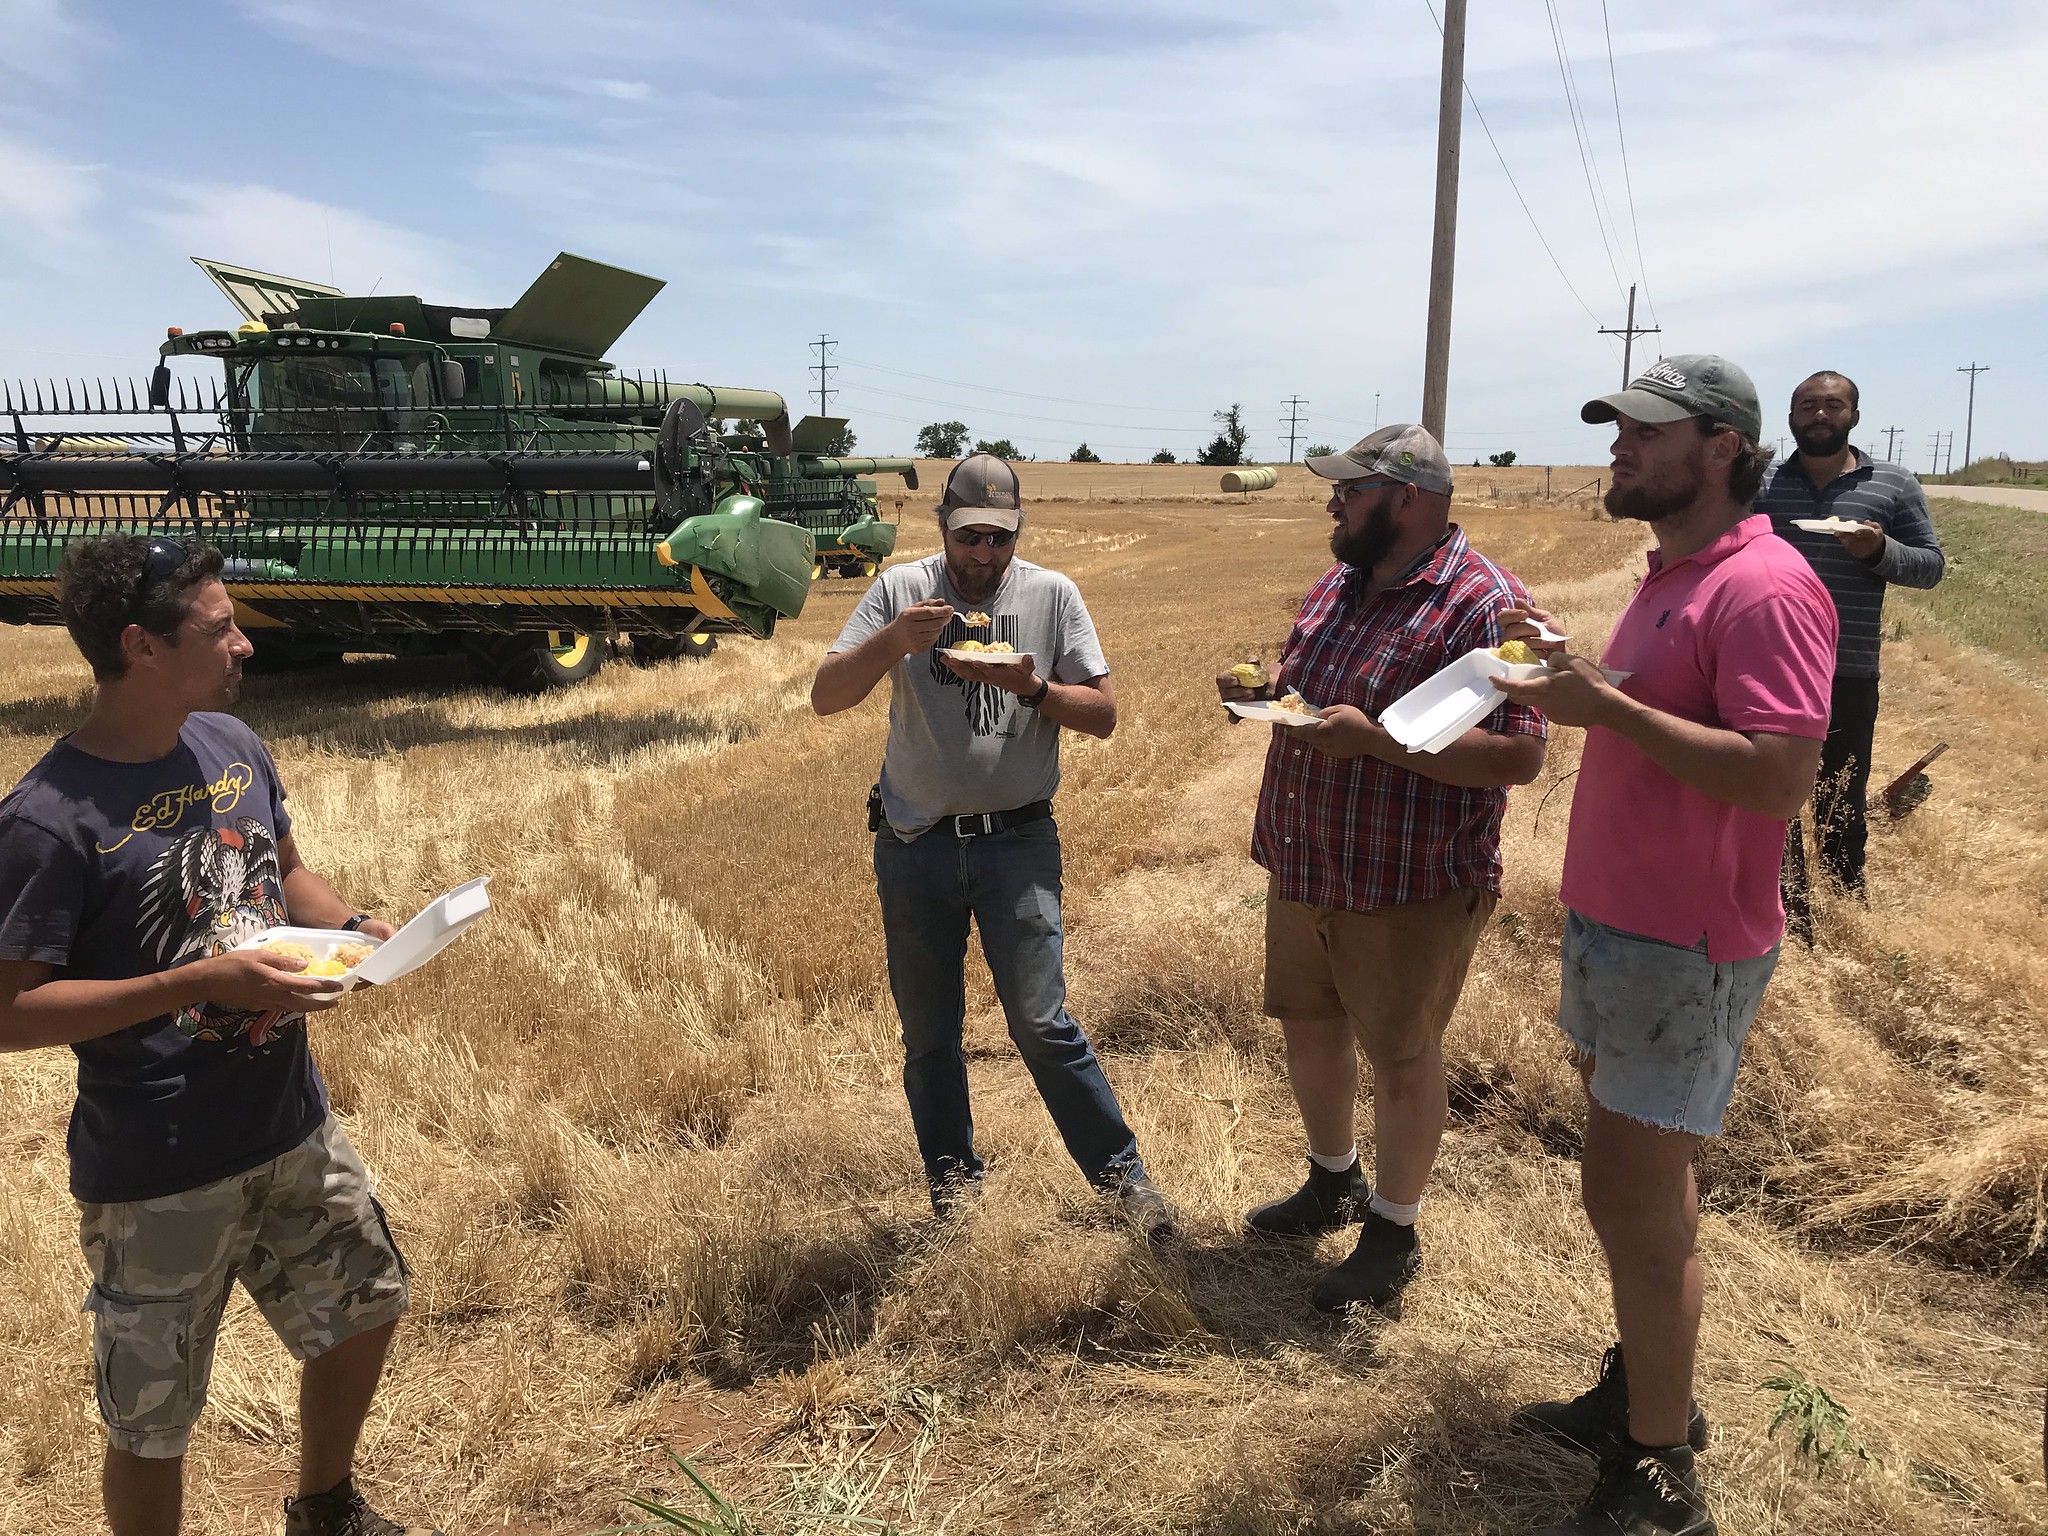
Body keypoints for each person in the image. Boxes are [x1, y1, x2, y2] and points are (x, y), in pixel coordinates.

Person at [0, 536, 439, 1536]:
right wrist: (199, 981)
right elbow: (9, 1013)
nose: (244, 643)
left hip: (288, 1120)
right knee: (153, 1420)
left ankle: (324, 1507)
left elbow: (283, 870)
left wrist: (353, 927)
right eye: (219, 626)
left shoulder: (232, 748)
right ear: (140, 647)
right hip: (159, 1165)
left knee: (366, 1304)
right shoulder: (48, 821)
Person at [1492, 357, 1836, 1536]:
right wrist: (1571, 673)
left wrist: (1607, 707)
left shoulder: (1767, 587)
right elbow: (1646, 711)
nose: (1617, 449)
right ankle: (1646, 1387)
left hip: (1680, 949)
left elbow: (1782, 778)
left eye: (1645, 431)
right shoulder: (1673, 576)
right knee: (1646, 1198)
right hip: (1618, 930)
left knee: (1630, 1209)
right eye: (1615, 430)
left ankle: (1657, 1470)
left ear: (1724, 447)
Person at [1214, 424, 1547, 1312]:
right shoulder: (1340, 581)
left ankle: (1393, 1231)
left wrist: (1381, 743)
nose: (1333, 502)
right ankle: (1333, 1179)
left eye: (1350, 490)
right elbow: (1307, 681)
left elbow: (1518, 758)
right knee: (1310, 1025)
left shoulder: (1485, 604)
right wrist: (1265, 690)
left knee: (1403, 1055)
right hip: (1306, 857)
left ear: (1407, 498)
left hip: (1410, 881)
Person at [810, 454, 1177, 1238]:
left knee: (1043, 1024)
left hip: (1018, 843)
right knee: (930, 1035)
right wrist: (891, 644)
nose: (983, 555)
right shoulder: (900, 592)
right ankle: (955, 1194)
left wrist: (1035, 690)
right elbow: (825, 697)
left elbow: (1105, 716)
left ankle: (1125, 1183)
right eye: (970, 536)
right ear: (942, 527)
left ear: (1018, 534)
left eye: (999, 539)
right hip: (915, 845)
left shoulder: (1051, 596)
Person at [1757, 369, 1944, 895]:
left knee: (1841, 793)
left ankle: (1844, 899)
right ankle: (1783, 907)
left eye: (1833, 406)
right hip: (1768, 665)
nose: (1820, 415)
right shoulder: (1763, 483)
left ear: (1854, 416)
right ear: (1791, 417)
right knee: (1772, 793)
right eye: (1808, 406)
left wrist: (1879, 551)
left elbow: (1930, 566)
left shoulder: (1893, 483)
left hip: (1848, 665)